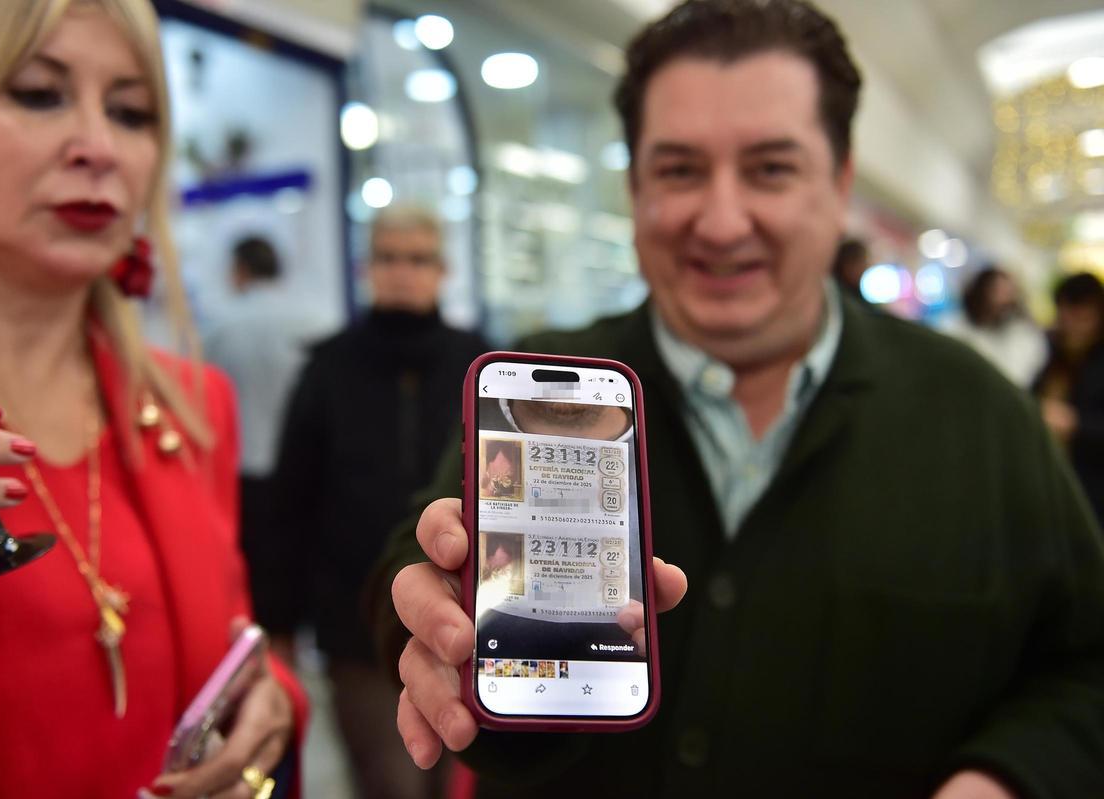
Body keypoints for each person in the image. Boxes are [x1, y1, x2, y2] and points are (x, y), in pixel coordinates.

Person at [370, 2, 1104, 797]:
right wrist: (428, 620)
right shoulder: (548, 386)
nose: (721, 222)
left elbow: (1085, 665)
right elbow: (414, 561)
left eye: (770, 169)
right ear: (635, 187)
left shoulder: (980, 414)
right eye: (680, 169)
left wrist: (1002, 778)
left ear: (841, 181)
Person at [0, 1, 306, 797]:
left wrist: (274, 710)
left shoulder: (193, 405)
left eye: (131, 112)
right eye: (38, 93)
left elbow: (233, 638)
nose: (98, 148)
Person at [272, 206, 487, 799]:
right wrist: (280, 620)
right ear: (368, 268)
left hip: (463, 616)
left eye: (417, 259)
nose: (402, 272)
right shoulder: (329, 366)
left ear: (442, 271)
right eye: (389, 258)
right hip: (355, 623)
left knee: (457, 772)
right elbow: (291, 495)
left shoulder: (479, 360)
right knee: (389, 780)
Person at [203, 235, 316, 641]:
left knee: (261, 598)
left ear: (239, 270)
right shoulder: (315, 322)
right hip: (307, 478)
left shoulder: (221, 327)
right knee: (301, 586)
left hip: (246, 478)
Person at [1034, 272, 1104, 520]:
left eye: (1081, 317)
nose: (1072, 325)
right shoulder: (1053, 353)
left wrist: (1076, 422)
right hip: (1055, 485)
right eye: (1066, 316)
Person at [941, 266, 1047, 387]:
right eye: (995, 291)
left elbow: (1019, 376)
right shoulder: (953, 326)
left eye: (1008, 293)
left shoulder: (1023, 335)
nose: (1001, 300)